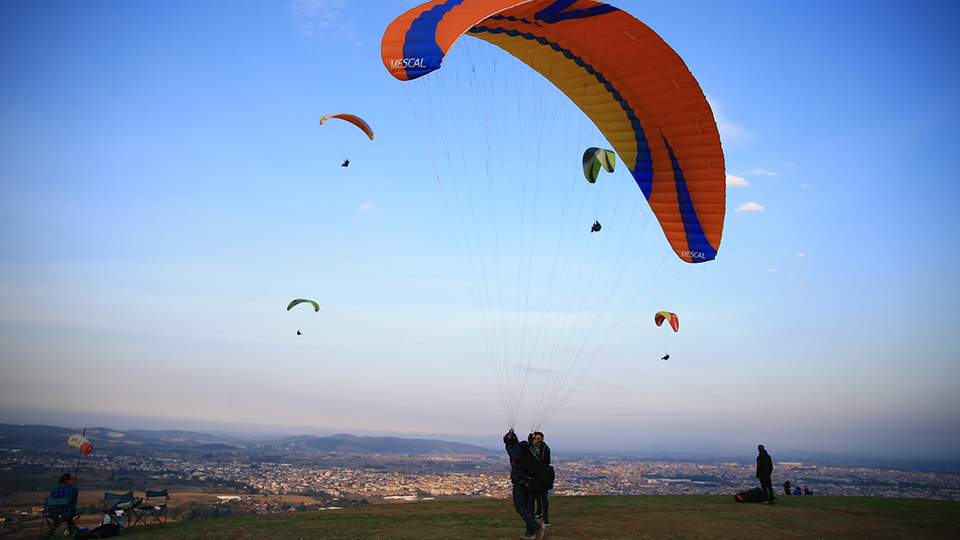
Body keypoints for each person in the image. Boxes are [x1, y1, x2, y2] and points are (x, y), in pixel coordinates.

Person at [504, 429, 545, 540]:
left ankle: (537, 527)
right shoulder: (525, 447)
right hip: (528, 480)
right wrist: (530, 440)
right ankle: (530, 531)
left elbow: (516, 458)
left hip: (520, 480)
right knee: (526, 506)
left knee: (520, 506)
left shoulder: (515, 449)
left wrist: (509, 447)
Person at [529, 431, 552, 526]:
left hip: (540, 476)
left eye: (538, 438)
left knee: (540, 498)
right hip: (538, 475)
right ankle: (537, 516)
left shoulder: (542, 448)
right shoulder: (540, 448)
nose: (536, 440)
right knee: (536, 497)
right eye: (535, 439)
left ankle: (542, 518)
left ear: (542, 439)